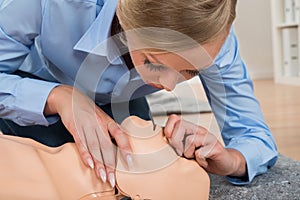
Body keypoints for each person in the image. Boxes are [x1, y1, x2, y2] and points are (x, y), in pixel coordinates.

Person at [0, 0, 278, 189]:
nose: (169, 87)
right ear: (125, 15)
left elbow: (255, 136)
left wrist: (232, 159)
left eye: (190, 72)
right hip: (30, 83)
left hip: (121, 101)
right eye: (153, 62)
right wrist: (57, 96)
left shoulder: (217, 42)